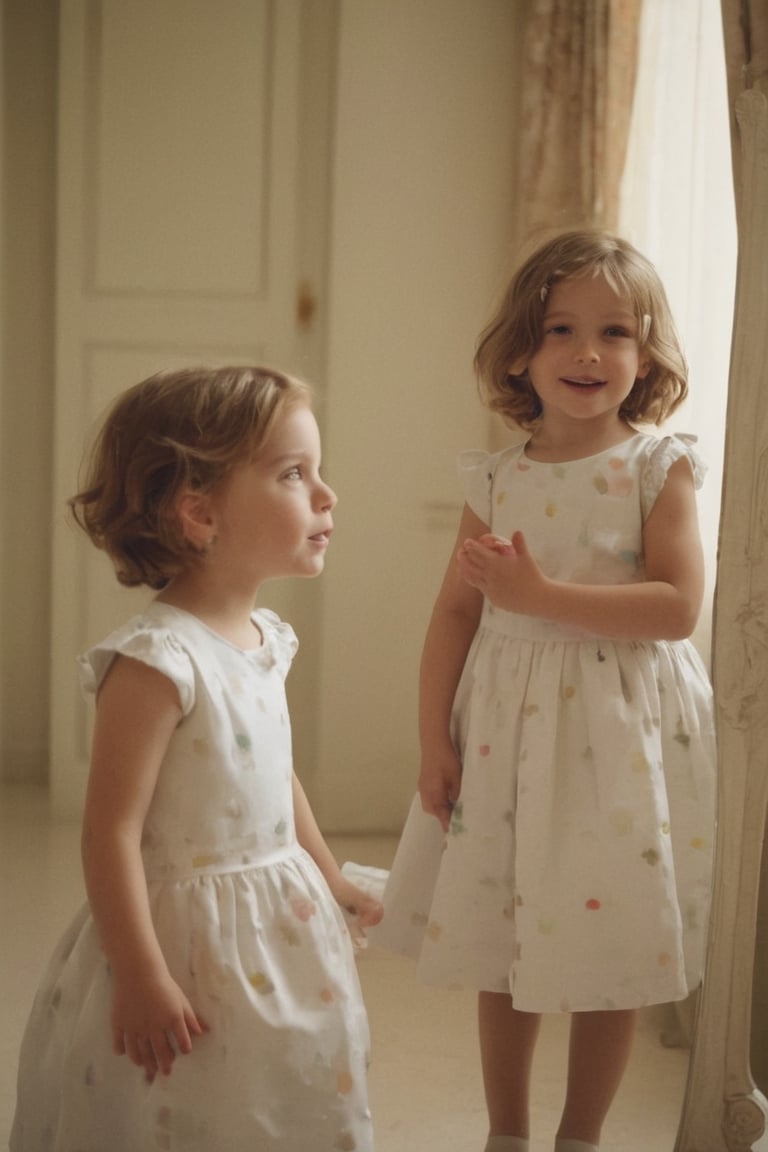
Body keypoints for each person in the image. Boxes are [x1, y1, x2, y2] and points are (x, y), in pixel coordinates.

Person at [370, 231, 716, 1152]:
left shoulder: (657, 467)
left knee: (612, 949)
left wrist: (541, 597)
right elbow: (453, 613)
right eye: (560, 329)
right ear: (520, 349)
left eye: (614, 332)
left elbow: (679, 606)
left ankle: (580, 1138)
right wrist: (432, 742)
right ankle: (509, 1135)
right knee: (502, 933)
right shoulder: (497, 476)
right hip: (506, 735)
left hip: (618, 738)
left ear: (645, 358)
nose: (587, 352)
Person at [11, 366, 383, 1152]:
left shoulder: (265, 640)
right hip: (182, 941)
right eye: (293, 474)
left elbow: (275, 777)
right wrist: (141, 976)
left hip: (276, 929)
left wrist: (331, 876)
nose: (327, 495)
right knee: (183, 1110)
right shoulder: (155, 660)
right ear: (199, 513)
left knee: (275, 1097)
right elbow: (109, 832)